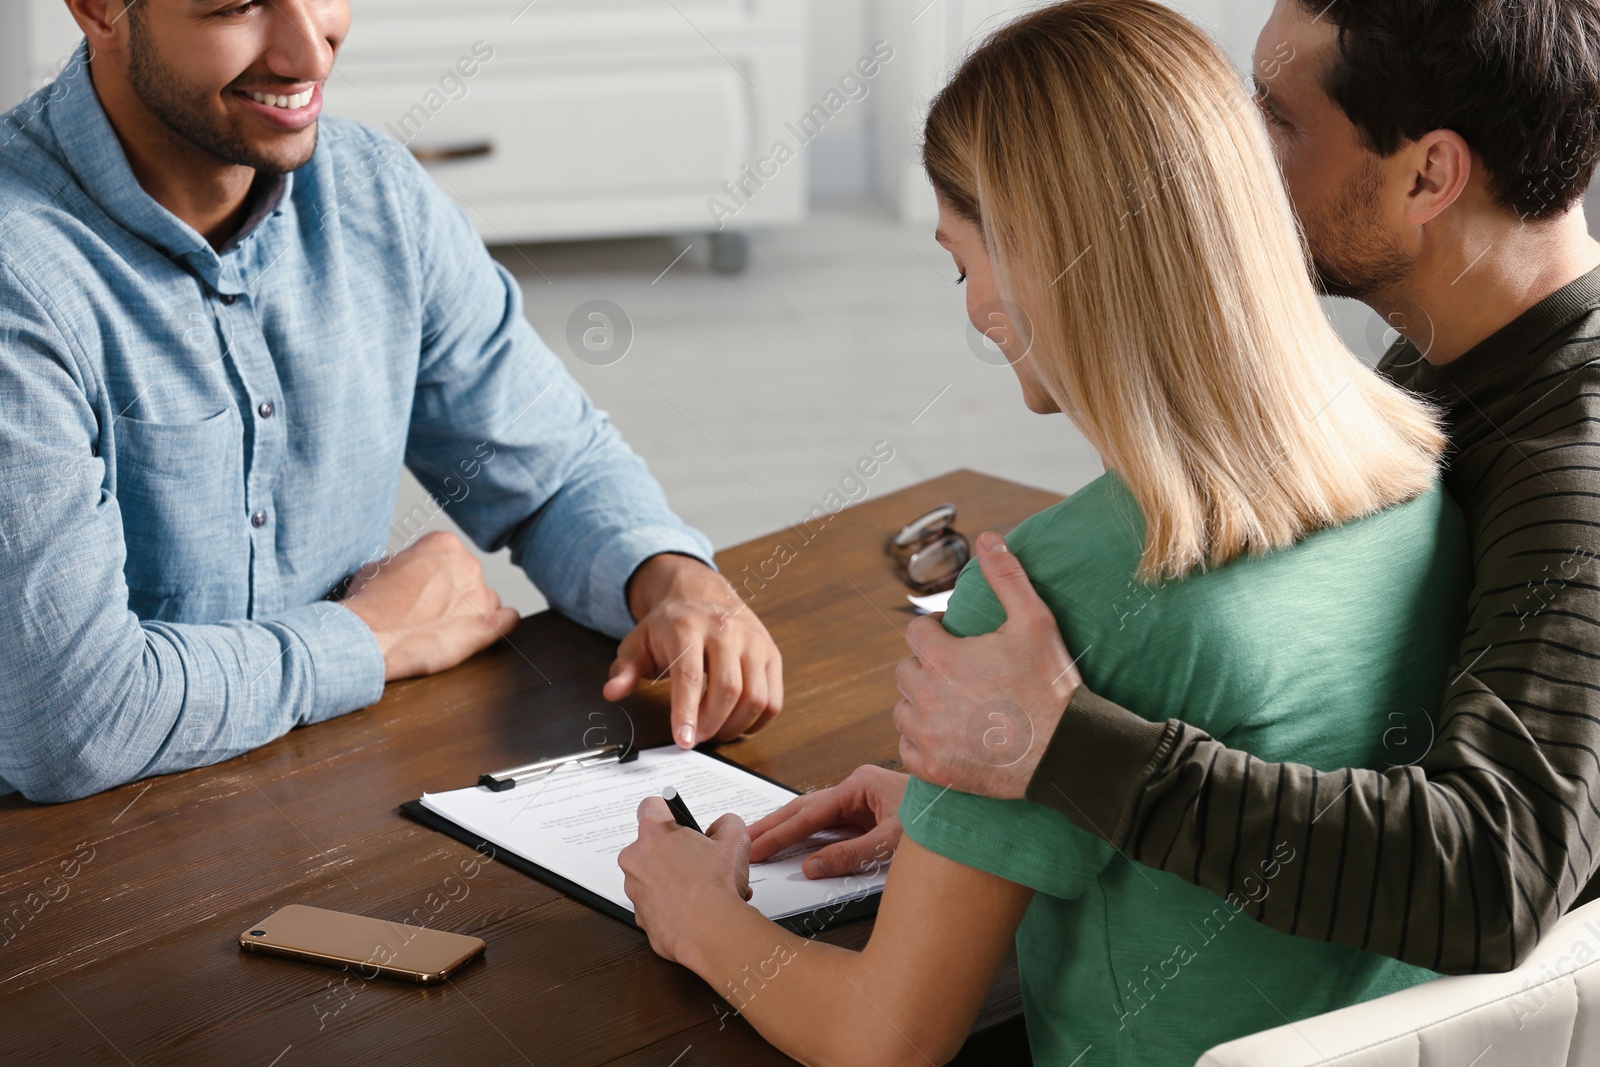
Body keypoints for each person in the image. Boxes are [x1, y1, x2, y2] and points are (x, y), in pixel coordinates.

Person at [621, 4, 1469, 1062]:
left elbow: (884, 1040)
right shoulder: (1426, 471)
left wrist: (698, 913)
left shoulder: (1043, 600)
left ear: (1031, 266)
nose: (972, 303)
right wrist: (962, 826)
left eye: (963, 260)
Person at [810, 0, 1600, 977]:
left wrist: (1064, 752)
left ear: (1427, 175)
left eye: (1273, 119)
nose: (1228, 155)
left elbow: (1492, 875)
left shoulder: (1569, 469)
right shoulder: (1441, 378)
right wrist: (982, 818)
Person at [0, 0, 781, 803]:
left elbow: (551, 470)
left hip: (330, 800)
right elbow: (70, 720)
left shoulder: (374, 193)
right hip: (72, 873)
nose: (310, 52)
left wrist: (673, 580)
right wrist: (373, 637)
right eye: (238, 7)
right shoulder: (17, 273)